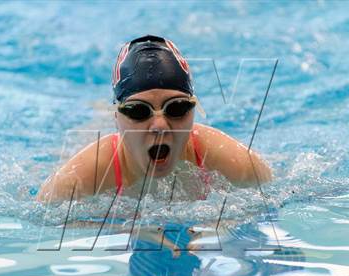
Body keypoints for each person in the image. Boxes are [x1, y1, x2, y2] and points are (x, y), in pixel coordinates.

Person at [37, 35, 272, 203]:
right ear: (117, 117)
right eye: (139, 111)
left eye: (177, 108)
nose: (160, 126)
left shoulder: (239, 164)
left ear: (195, 110)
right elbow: (44, 219)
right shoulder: (77, 180)